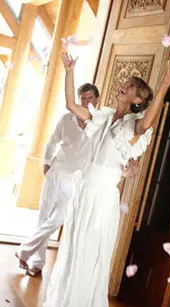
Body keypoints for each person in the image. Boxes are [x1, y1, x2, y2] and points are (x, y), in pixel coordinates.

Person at [43, 53, 170, 307]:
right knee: (72, 251)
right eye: (124, 82)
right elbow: (72, 106)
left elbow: (149, 121)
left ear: (138, 99)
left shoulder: (136, 125)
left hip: (102, 199)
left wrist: (164, 84)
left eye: (130, 85)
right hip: (83, 192)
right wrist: (70, 70)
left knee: (89, 256)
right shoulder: (103, 115)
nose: (122, 85)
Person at [15, 83, 100, 276]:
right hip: (56, 171)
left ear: (97, 100)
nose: (86, 102)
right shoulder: (66, 119)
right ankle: (37, 264)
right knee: (44, 216)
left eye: (89, 98)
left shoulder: (99, 125)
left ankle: (24, 250)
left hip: (75, 180)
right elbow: (52, 141)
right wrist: (46, 164)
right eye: (83, 98)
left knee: (58, 219)